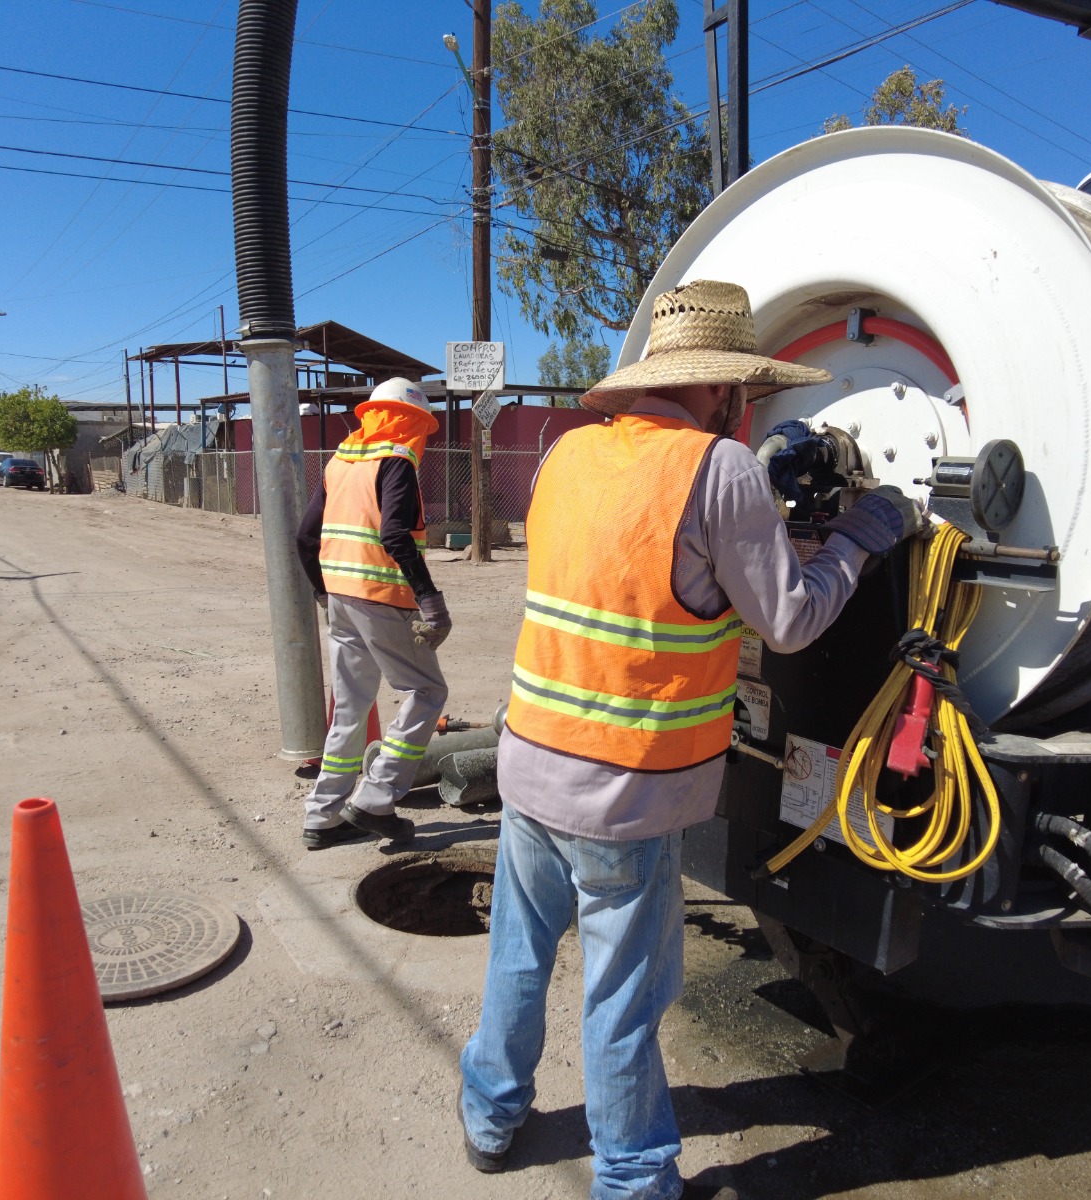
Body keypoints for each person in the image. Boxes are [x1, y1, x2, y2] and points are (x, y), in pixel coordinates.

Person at [457, 280, 924, 1198]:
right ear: (727, 391)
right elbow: (789, 619)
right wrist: (860, 538)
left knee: (519, 951)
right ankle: (632, 1176)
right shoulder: (719, 469)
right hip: (624, 794)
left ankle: (490, 1111)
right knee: (623, 997)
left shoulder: (565, 454)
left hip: (531, 760)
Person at [295, 377, 453, 849]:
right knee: (427, 691)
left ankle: (322, 817)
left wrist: (325, 592)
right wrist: (430, 600)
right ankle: (376, 797)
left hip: (340, 599)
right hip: (380, 599)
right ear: (410, 422)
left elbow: (305, 538)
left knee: (351, 706)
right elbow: (395, 537)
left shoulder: (341, 460)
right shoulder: (397, 460)